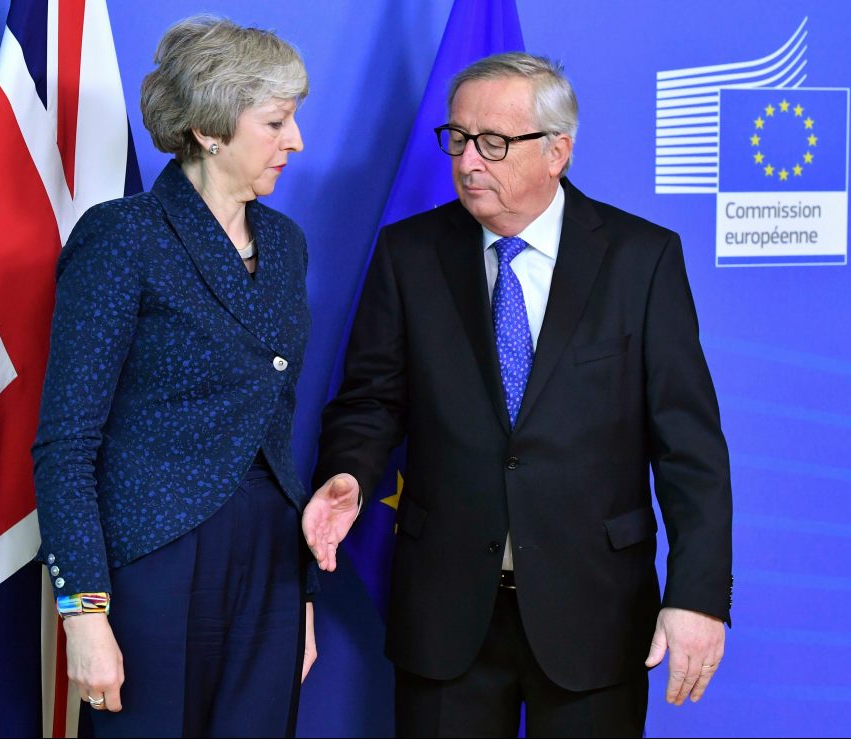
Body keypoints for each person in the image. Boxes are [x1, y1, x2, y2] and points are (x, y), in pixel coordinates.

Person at [303, 52, 732, 737]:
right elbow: (369, 401)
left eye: (494, 143)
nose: (468, 161)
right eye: (458, 138)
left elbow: (690, 449)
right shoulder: (407, 254)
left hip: (595, 612)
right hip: (446, 615)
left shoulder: (640, 260)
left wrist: (699, 596)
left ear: (557, 150)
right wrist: (349, 471)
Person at [33, 16, 315, 738]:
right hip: (156, 556)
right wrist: (84, 613)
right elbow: (65, 444)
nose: (296, 142)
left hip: (270, 559)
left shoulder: (284, 243)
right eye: (277, 121)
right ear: (211, 129)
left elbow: (276, 425)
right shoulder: (123, 234)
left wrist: (301, 592)